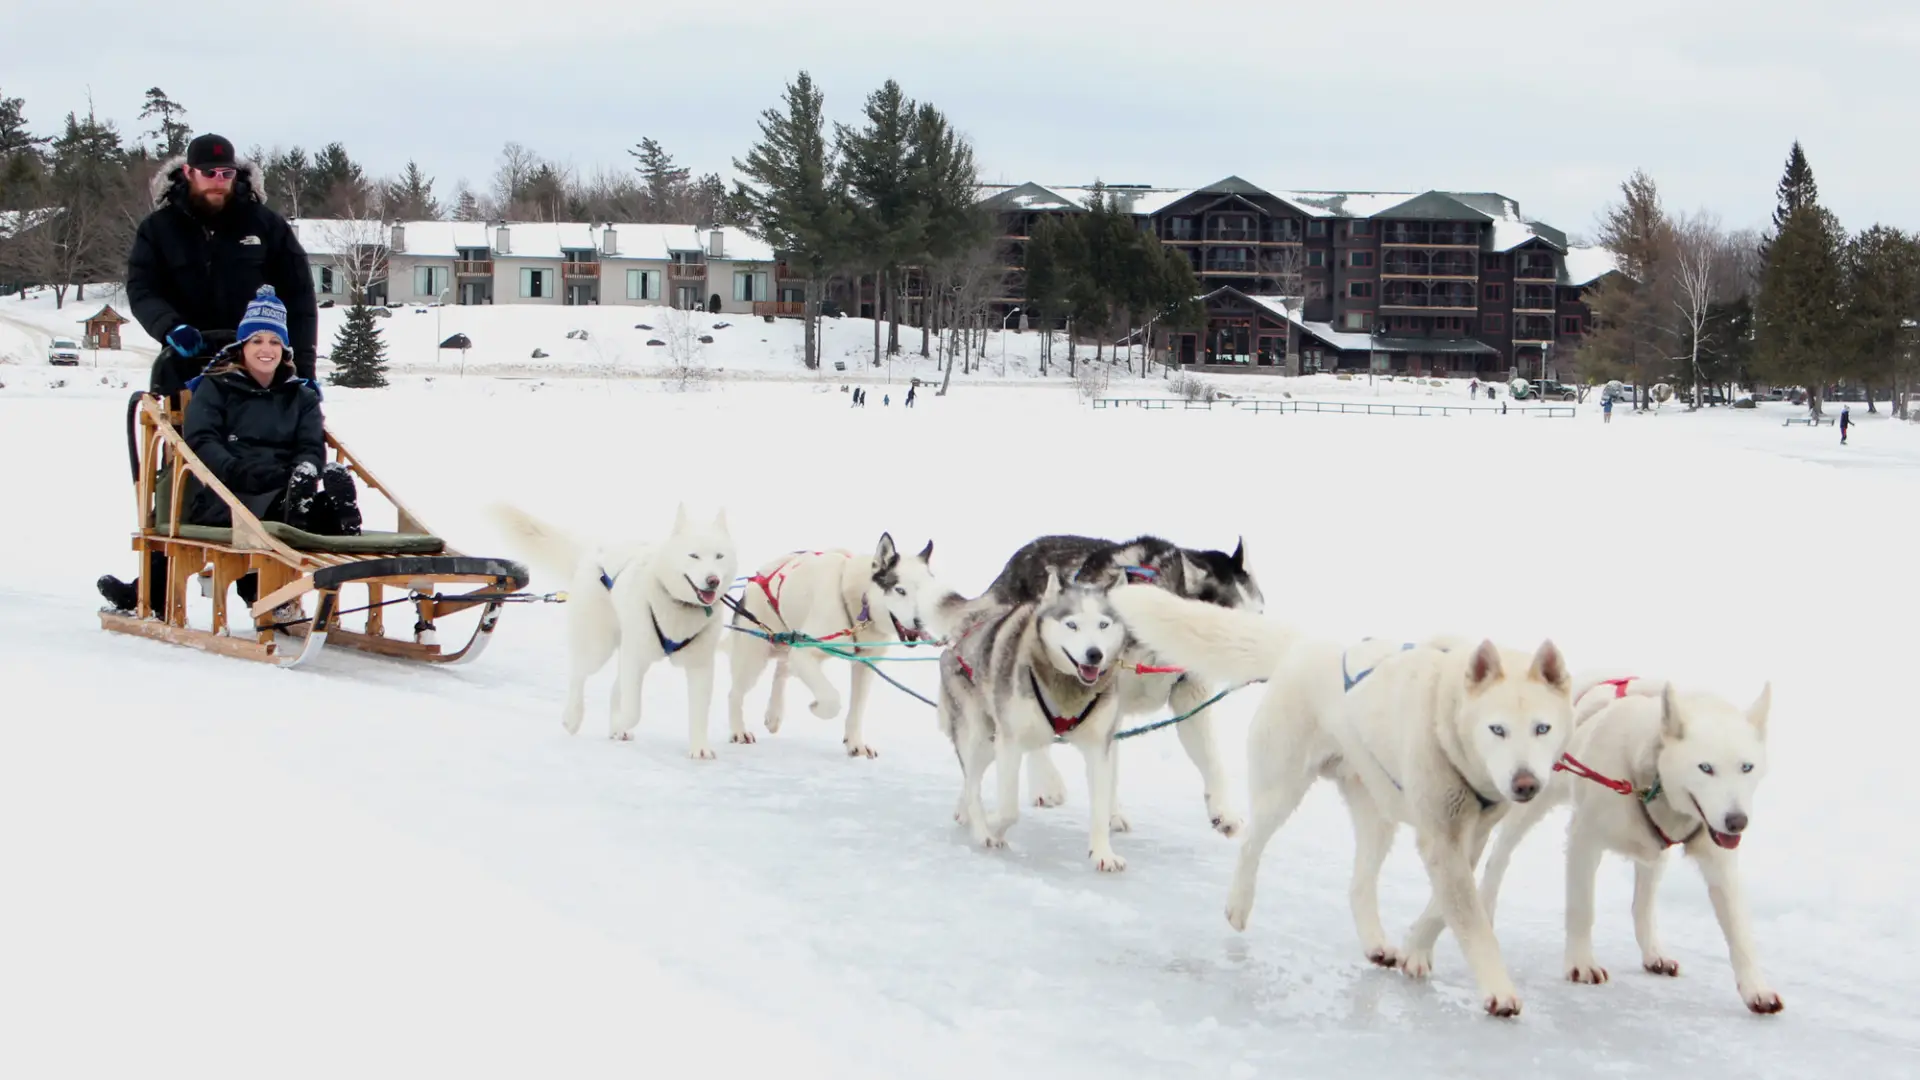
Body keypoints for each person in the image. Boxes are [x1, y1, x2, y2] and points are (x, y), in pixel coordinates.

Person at [97, 288, 359, 615]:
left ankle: (334, 513)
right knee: (282, 505)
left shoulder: (301, 397)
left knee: (302, 493)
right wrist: (241, 472)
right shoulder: (215, 387)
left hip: (283, 485)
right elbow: (202, 443)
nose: (267, 349)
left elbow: (310, 447)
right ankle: (309, 518)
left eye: (275, 342)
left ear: (285, 349)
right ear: (241, 346)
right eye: (257, 341)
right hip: (223, 491)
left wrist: (303, 470)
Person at [127, 132, 319, 396]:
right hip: (186, 366)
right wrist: (169, 326)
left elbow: (299, 298)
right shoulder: (158, 229)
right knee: (194, 434)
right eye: (209, 173)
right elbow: (142, 289)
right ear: (188, 172)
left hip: (258, 369)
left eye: (226, 174)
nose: (218, 181)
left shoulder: (267, 225)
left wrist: (304, 370)